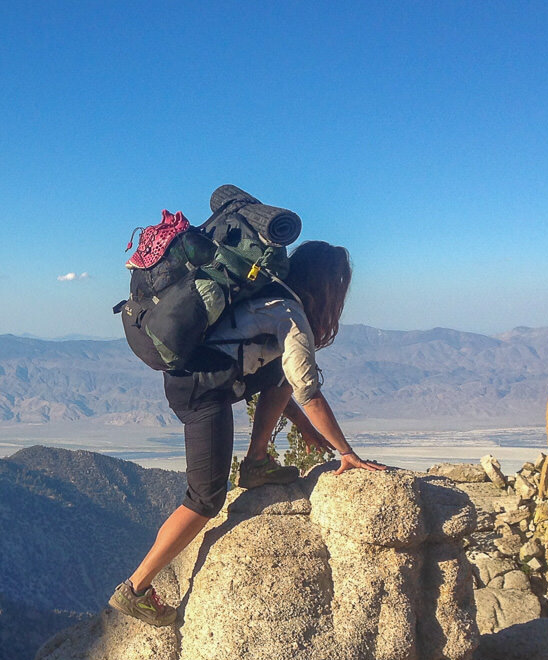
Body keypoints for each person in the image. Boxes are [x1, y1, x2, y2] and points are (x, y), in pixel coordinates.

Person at [108, 240, 388, 627]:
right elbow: (309, 391)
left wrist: (303, 425)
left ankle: (256, 462)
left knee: (278, 373)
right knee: (205, 499)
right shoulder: (289, 314)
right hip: (202, 393)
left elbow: (284, 382)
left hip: (198, 379)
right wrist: (347, 453)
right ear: (328, 287)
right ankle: (136, 589)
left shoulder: (266, 293)